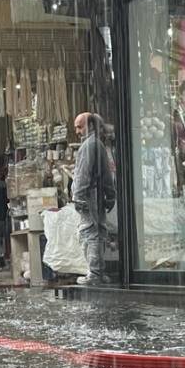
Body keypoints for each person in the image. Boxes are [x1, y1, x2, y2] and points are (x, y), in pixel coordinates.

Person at [72, 112, 116, 285]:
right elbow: (107, 175)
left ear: (90, 126)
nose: (77, 131)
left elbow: (82, 175)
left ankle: (95, 273)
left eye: (80, 126)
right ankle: (98, 272)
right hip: (95, 195)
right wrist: (110, 194)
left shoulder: (89, 145)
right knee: (96, 232)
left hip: (89, 195)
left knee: (90, 233)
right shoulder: (97, 144)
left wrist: (78, 196)